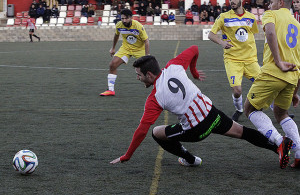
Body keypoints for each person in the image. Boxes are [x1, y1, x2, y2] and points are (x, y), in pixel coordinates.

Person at [110, 46, 289, 168]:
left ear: (149, 74)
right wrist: (194, 71)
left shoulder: (154, 98)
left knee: (156, 132)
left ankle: (190, 160)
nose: (138, 78)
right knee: (243, 132)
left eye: (138, 75)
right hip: (212, 114)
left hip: (197, 130)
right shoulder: (173, 65)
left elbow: (142, 130)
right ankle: (278, 147)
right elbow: (195, 49)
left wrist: (127, 155)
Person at [244, 0, 300, 168]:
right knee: (281, 114)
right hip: (292, 77)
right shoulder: (298, 25)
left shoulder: (271, 14)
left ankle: (279, 142)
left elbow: (269, 32)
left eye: (272, 1)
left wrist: (277, 62)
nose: (269, 4)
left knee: (249, 109)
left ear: (280, 3)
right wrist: (296, 91)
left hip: (273, 73)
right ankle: (299, 154)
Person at [208, 0, 260, 122]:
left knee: (264, 84)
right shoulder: (224, 17)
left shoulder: (251, 17)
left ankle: (277, 110)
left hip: (250, 60)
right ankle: (239, 110)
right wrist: (222, 42)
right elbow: (211, 34)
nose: (232, 1)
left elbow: (251, 34)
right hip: (232, 60)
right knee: (237, 91)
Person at [100, 9, 150, 96]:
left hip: (139, 49)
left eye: (126, 18)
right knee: (113, 64)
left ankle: (157, 88)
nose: (124, 20)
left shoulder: (138, 26)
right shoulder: (119, 25)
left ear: (131, 18)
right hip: (126, 48)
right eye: (122, 18)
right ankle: (111, 90)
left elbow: (146, 41)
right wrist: (113, 48)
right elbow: (116, 35)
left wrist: (147, 56)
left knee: (148, 69)